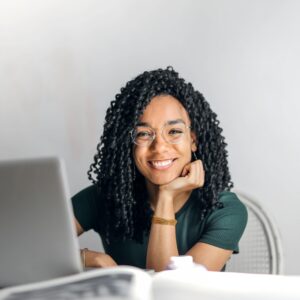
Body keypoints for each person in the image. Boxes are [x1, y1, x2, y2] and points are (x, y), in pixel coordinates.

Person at [72, 67, 247, 272]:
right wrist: (87, 258)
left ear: (193, 140)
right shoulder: (105, 197)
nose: (160, 147)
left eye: (174, 131)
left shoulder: (225, 211)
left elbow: (172, 292)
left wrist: (166, 196)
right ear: (128, 143)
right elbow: (30, 248)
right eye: (144, 134)